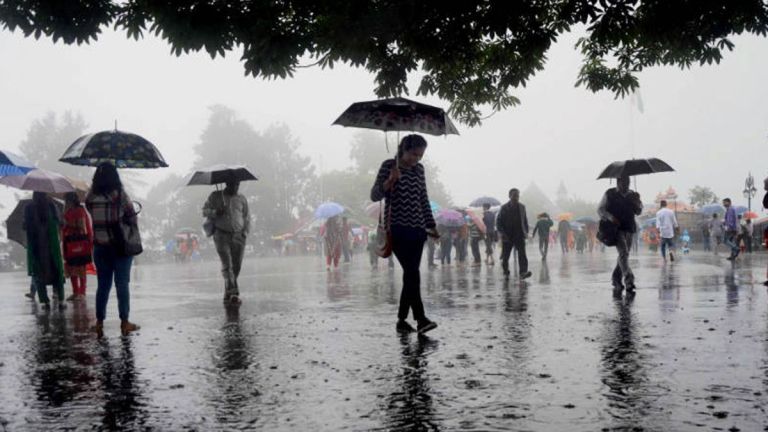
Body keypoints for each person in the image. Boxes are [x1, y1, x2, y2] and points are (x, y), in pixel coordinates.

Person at [371, 134, 439, 334]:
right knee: (412, 273)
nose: (416, 159)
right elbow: (374, 195)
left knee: (411, 274)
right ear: (404, 149)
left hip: (418, 230)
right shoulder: (389, 165)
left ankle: (402, 320)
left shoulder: (419, 170)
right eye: (413, 154)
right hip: (397, 228)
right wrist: (389, 182)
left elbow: (423, 198)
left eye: (420, 156)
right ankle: (420, 319)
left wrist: (431, 225)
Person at [86, 162, 140, 336]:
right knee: (122, 285)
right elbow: (132, 218)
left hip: (100, 248)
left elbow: (92, 214)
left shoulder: (90, 197)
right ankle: (124, 322)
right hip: (120, 248)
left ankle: (99, 322)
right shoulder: (120, 196)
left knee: (103, 286)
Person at [203, 180, 250, 304]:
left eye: (237, 184)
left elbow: (246, 216)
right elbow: (204, 211)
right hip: (221, 234)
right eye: (232, 184)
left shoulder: (242, 198)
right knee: (227, 264)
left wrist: (245, 232)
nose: (235, 187)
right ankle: (233, 293)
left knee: (236, 266)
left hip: (239, 236)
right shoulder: (215, 196)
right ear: (226, 184)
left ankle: (227, 291)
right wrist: (215, 212)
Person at [598, 175, 643, 294]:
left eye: (628, 181)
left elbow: (638, 211)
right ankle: (629, 280)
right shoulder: (610, 193)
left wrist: (638, 202)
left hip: (630, 228)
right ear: (618, 182)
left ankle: (616, 279)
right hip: (616, 229)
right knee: (623, 253)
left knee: (624, 256)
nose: (626, 184)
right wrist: (611, 217)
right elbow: (601, 209)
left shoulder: (633, 195)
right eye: (623, 182)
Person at [24, 192, 66, 310]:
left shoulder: (28, 208)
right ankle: (61, 300)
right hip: (52, 245)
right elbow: (60, 222)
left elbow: (25, 225)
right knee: (57, 270)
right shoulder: (51, 205)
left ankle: (45, 302)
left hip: (36, 246)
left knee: (38, 273)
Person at [62, 192, 94, 302]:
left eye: (67, 201)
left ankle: (82, 292)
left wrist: (68, 224)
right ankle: (75, 292)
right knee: (71, 269)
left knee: (81, 268)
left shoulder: (80, 210)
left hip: (80, 243)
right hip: (70, 242)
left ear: (71, 201)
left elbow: (82, 227)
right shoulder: (68, 211)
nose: (66, 203)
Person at [496, 188, 531, 279]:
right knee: (506, 255)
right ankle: (506, 270)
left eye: (518, 195)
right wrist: (502, 233)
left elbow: (525, 220)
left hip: (519, 234)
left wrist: (526, 231)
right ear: (509, 196)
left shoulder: (522, 207)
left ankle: (523, 272)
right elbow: (498, 221)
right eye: (514, 195)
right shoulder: (504, 208)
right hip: (507, 235)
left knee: (522, 254)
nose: (516, 197)